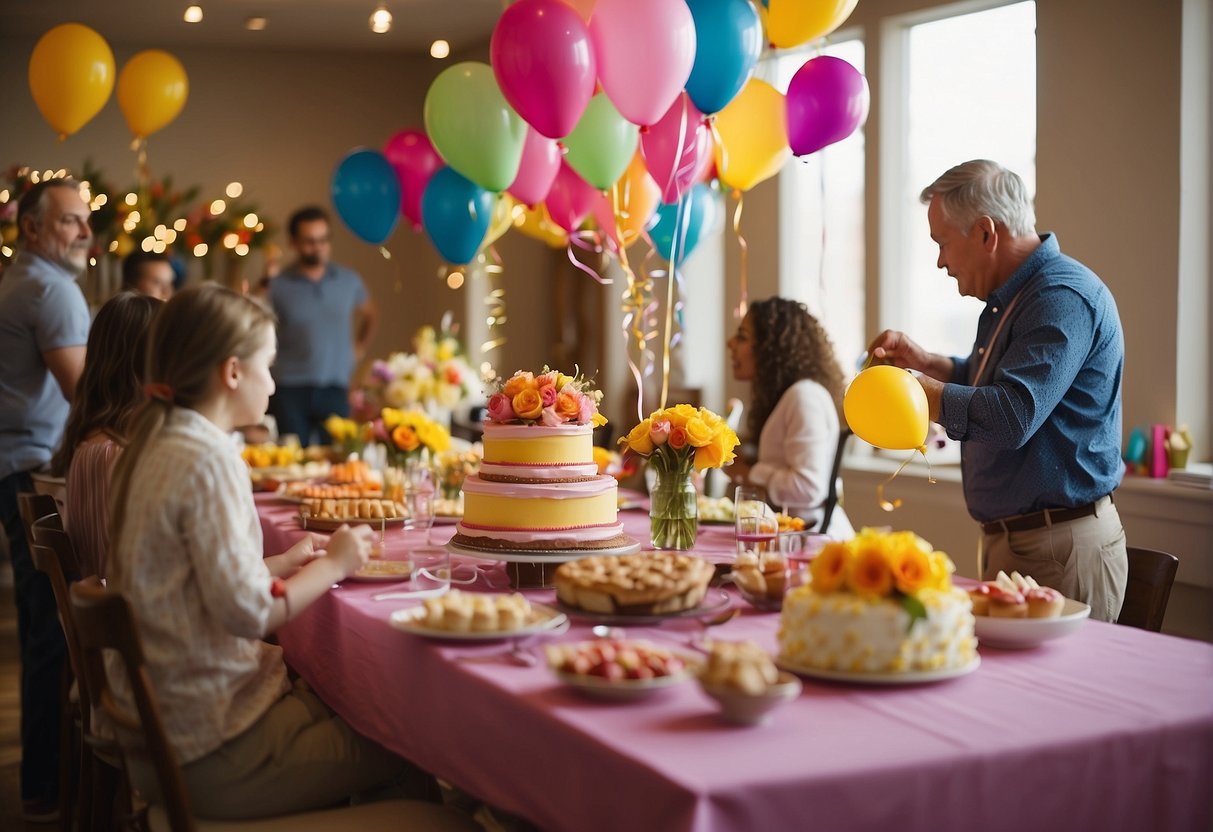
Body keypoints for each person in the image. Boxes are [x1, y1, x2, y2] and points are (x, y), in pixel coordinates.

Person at [106, 283, 435, 819]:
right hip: (211, 752)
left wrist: (280, 564)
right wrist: (336, 563)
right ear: (232, 373)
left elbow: (189, 587)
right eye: (268, 366)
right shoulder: (210, 460)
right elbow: (247, 611)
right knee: (406, 739)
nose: (274, 382)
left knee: (347, 701)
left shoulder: (153, 443)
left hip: (164, 740)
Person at [867, 159, 1127, 622]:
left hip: (1058, 551)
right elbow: (995, 380)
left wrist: (917, 392)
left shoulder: (1061, 297)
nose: (940, 261)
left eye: (942, 242)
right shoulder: (1017, 296)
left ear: (986, 233)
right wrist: (931, 365)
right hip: (1025, 545)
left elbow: (1013, 413)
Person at [0, 177, 92, 821]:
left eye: (85, 220)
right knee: (52, 632)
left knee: (44, 625)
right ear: (32, 228)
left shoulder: (18, 280)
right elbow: (86, 394)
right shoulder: (51, 290)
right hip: (33, 471)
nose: (84, 231)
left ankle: (45, 778)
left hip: (16, 466)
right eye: (69, 221)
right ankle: (45, 784)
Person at [50, 291, 162, 578]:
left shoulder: (91, 442)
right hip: (124, 614)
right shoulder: (116, 457)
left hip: (103, 610)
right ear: (146, 364)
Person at [726, 297, 854, 538]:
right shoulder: (790, 395)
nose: (730, 343)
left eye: (742, 337)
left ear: (771, 347)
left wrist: (749, 473)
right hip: (792, 538)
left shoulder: (804, 397)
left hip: (813, 544)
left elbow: (808, 489)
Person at [263, 206, 378, 446]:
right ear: (294, 243)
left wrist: (358, 349)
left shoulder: (349, 280)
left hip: (335, 387)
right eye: (310, 241)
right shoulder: (278, 284)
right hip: (289, 388)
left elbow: (370, 314)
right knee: (292, 460)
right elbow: (251, 316)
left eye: (323, 240)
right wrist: (264, 281)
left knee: (338, 463)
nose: (318, 247)